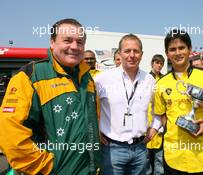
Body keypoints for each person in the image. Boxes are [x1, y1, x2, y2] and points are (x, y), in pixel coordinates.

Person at [0, 18, 100, 174]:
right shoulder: (31, 75)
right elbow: (9, 134)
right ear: (52, 42)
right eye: (67, 40)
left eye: (79, 42)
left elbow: (93, 121)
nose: (74, 47)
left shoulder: (88, 79)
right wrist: (46, 166)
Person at [153, 29, 203, 174]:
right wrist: (174, 128)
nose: (177, 53)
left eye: (182, 48)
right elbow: (161, 114)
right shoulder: (160, 84)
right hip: (173, 155)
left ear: (190, 49)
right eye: (172, 49)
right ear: (167, 54)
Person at [95, 33, 161, 175]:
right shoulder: (102, 79)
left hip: (140, 149)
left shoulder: (150, 80)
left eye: (136, 51)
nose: (132, 55)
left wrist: (154, 129)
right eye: (127, 51)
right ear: (119, 53)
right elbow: (88, 108)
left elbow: (158, 110)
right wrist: (95, 131)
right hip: (112, 150)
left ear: (142, 55)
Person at [146, 54, 165, 175]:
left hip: (159, 124)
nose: (159, 65)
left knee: (159, 161)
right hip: (145, 125)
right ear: (152, 63)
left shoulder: (165, 79)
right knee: (145, 161)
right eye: (157, 62)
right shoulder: (145, 78)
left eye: (161, 63)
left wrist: (163, 125)